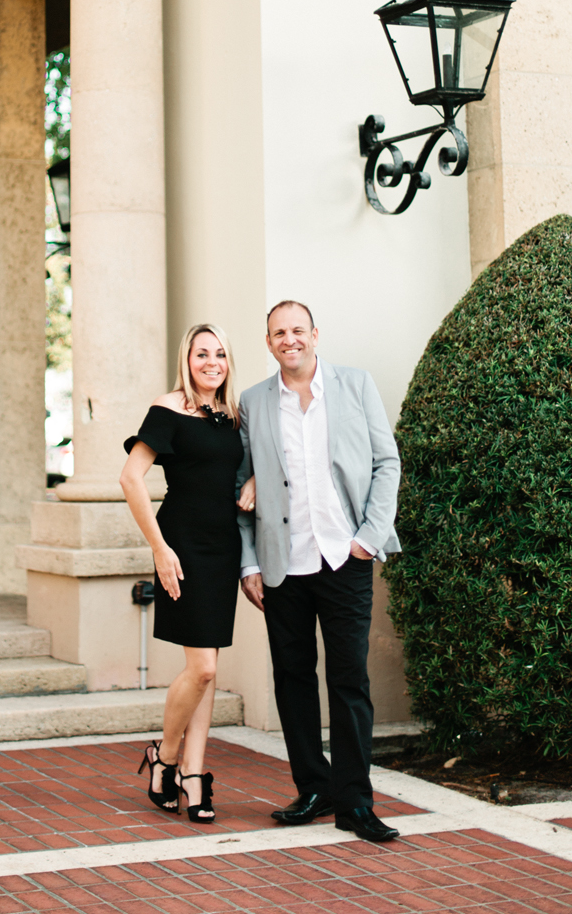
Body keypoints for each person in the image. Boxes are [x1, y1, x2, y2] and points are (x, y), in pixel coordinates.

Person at [237, 300, 401, 843]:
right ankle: (314, 787)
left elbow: (386, 462)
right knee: (293, 680)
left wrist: (367, 540)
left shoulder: (354, 386)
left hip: (345, 557)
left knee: (349, 680)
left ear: (314, 335)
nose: (290, 339)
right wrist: (250, 562)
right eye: (279, 332)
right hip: (284, 564)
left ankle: (355, 802)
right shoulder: (254, 402)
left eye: (298, 330)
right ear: (268, 342)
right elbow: (239, 490)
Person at [120, 323, 252, 823]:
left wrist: (256, 478)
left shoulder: (233, 415)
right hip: (183, 547)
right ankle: (167, 757)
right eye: (202, 354)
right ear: (187, 359)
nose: (212, 362)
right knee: (204, 668)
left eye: (219, 354)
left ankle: (194, 777)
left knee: (208, 664)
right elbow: (131, 478)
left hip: (224, 548)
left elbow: (246, 465)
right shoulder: (169, 408)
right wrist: (159, 549)